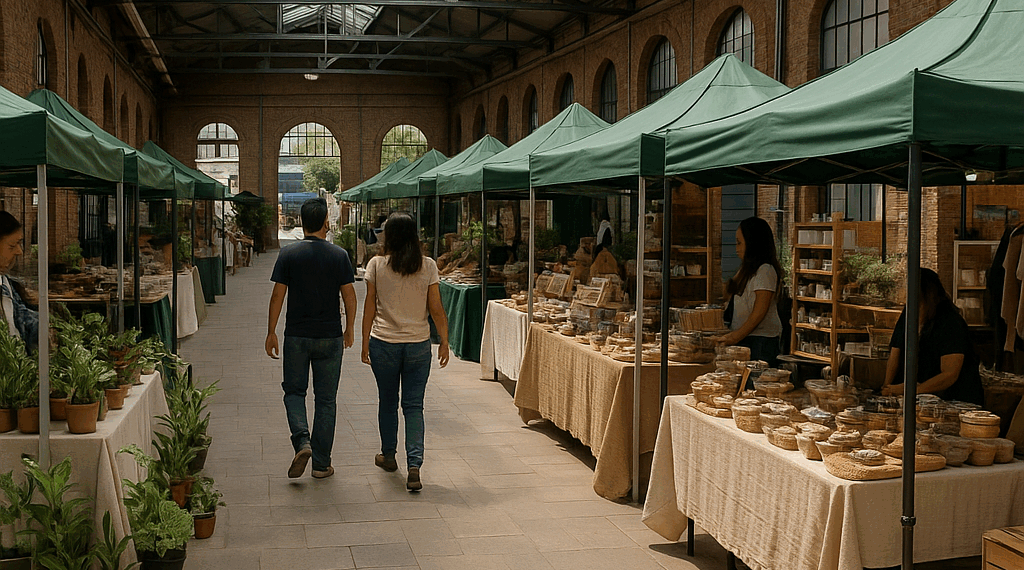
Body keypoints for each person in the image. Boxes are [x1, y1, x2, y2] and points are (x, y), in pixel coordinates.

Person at [265, 198, 357, 479]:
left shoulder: (289, 254)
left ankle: (302, 441)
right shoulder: (339, 255)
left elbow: (278, 295)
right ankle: (320, 464)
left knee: (294, 392)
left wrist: (271, 331)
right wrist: (349, 328)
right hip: (330, 337)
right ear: (326, 222)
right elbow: (350, 296)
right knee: (326, 400)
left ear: (302, 222)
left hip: (296, 336)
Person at [361, 212, 450, 491]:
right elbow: (435, 308)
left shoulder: (376, 264)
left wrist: (364, 342)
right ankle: (414, 464)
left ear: (390, 236)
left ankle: (389, 456)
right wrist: (445, 340)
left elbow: (370, 307)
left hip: (383, 342)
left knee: (387, 402)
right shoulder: (427, 266)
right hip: (418, 345)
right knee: (414, 406)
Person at [880, 267, 984, 405]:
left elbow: (950, 374)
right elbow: (896, 351)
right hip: (917, 396)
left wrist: (913, 390)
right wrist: (887, 388)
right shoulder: (909, 312)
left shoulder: (949, 322)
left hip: (953, 399)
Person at [714, 216, 783, 366]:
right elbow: (727, 293)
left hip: (760, 341)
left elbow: (759, 313)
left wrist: (735, 337)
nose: (736, 248)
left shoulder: (765, 270)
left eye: (739, 243)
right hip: (745, 338)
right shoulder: (748, 270)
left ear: (752, 243)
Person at [0, 212, 38, 353]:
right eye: (12, 245)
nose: (19, 251)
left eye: (19, 244)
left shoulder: (4, 283)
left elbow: (20, 315)